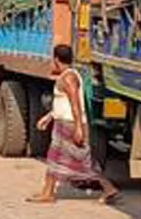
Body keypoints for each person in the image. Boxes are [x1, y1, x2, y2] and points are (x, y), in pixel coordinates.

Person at [27, 44, 120, 205]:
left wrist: (78, 128)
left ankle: (108, 187)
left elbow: (75, 103)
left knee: (82, 161)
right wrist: (49, 117)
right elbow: (63, 103)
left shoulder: (69, 78)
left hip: (69, 125)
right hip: (64, 123)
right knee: (55, 158)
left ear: (56, 59)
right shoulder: (67, 75)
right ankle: (47, 192)